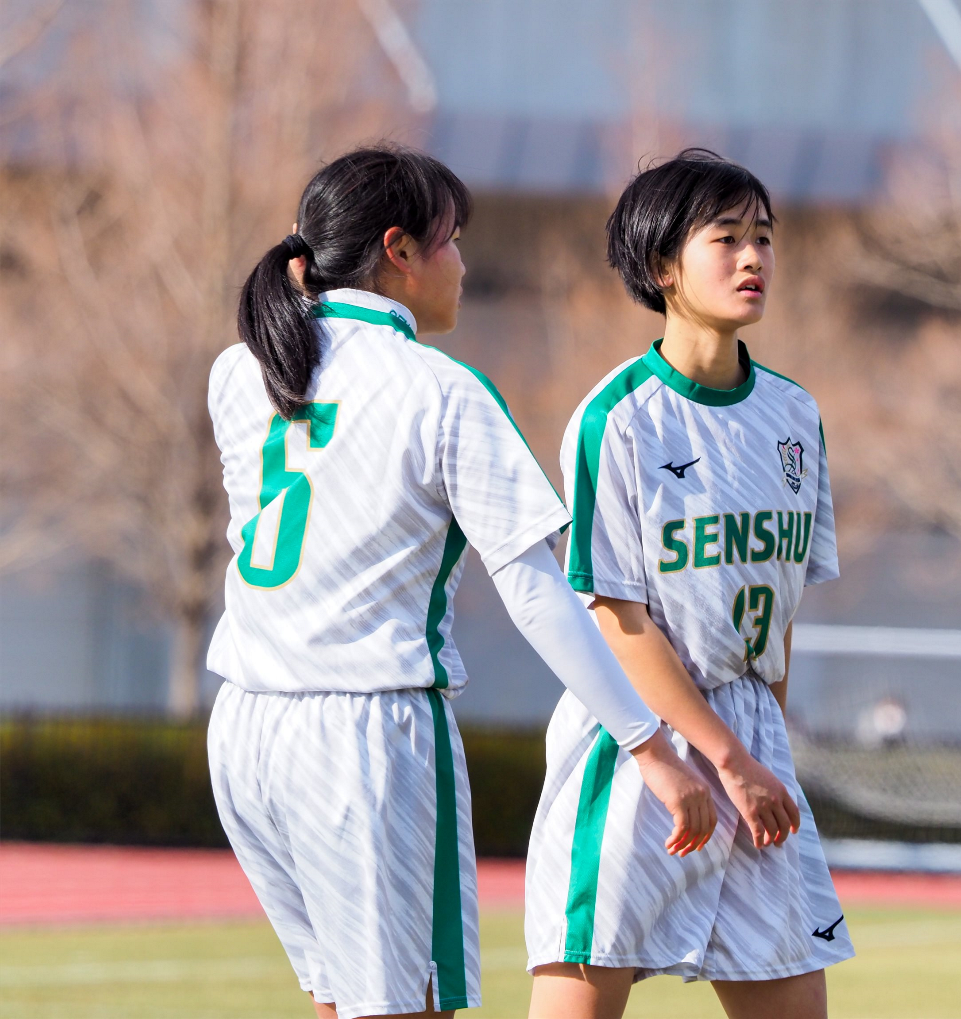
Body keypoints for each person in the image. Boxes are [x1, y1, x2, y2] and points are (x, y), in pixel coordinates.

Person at [205, 144, 716, 1019]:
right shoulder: (440, 390)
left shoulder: (237, 369)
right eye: (450, 241)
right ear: (399, 250)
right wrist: (648, 744)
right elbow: (538, 593)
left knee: (339, 1001)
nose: (464, 265)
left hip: (245, 728)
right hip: (367, 732)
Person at [525, 148, 854, 1019]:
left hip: (751, 744)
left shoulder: (795, 414)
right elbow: (616, 616)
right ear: (663, 265)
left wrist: (760, 748)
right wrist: (723, 758)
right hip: (639, 740)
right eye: (727, 238)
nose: (754, 258)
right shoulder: (616, 419)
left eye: (764, 237)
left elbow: (783, 610)